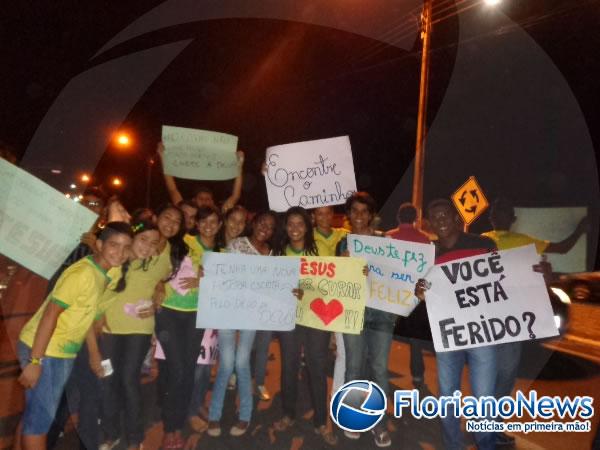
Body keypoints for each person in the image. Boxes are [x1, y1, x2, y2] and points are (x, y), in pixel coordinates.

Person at [481, 197, 588, 447]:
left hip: (513, 320)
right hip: (485, 320)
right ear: (492, 217)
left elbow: (560, 250)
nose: (500, 215)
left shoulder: (525, 243)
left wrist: (579, 231)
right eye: (498, 211)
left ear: (512, 219)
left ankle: (491, 425)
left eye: (504, 211)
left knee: (505, 376)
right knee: (493, 375)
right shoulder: (480, 240)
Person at [17, 222, 133, 450]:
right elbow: (50, 314)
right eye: (114, 245)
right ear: (99, 245)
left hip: (63, 351)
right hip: (45, 349)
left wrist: (93, 354)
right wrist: (35, 361)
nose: (120, 252)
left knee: (39, 413)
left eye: (125, 247)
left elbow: (87, 317)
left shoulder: (109, 271)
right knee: (39, 422)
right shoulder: (83, 275)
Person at [415, 199, 497, 450]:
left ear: (456, 219)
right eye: (434, 217)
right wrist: (419, 292)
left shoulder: (483, 244)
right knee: (447, 396)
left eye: (445, 215)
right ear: (428, 223)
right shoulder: (427, 253)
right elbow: (421, 290)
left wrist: (537, 273)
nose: (440, 220)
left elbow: (507, 278)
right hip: (448, 333)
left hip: (481, 333)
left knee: (483, 399)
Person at [155, 206, 221, 450]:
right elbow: (156, 262)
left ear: (219, 226)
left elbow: (227, 284)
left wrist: (207, 279)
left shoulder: (221, 252)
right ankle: (170, 429)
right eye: (204, 221)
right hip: (169, 312)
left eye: (214, 222)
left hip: (196, 315)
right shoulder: (183, 240)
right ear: (195, 224)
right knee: (178, 371)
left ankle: (177, 427)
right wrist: (158, 285)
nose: (208, 226)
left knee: (187, 372)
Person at [206, 211, 278, 437]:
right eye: (262, 223)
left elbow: (274, 286)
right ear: (253, 222)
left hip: (251, 315)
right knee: (227, 364)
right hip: (228, 310)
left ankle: (245, 415)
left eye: (270, 226)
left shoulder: (273, 254)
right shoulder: (237, 244)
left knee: (242, 361)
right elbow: (221, 274)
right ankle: (214, 415)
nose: (264, 228)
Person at [99, 220, 166, 450]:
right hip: (107, 331)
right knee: (108, 380)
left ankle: (135, 437)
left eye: (153, 243)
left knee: (129, 380)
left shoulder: (156, 263)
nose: (146, 247)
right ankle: (111, 432)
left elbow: (174, 275)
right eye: (143, 239)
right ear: (132, 239)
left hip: (139, 330)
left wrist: (161, 288)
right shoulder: (113, 260)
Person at [336, 192, 394, 448]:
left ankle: (379, 423)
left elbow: (397, 276)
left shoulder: (386, 242)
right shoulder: (342, 244)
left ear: (371, 215)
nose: (359, 216)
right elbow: (336, 282)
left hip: (381, 315)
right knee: (354, 368)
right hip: (353, 314)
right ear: (348, 215)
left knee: (380, 369)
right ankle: (354, 417)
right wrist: (343, 265)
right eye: (354, 211)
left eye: (364, 211)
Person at [385, 203, 432, 391]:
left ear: (398, 217)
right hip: (414, 295)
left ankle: (380, 368)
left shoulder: (389, 236)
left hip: (389, 292)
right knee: (415, 339)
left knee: (384, 333)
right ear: (415, 219)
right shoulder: (425, 240)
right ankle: (418, 376)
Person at [311, 206, 348, 394]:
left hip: (341, 300)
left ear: (333, 215)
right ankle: (316, 391)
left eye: (327, 213)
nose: (324, 217)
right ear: (313, 216)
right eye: (319, 213)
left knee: (342, 352)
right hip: (316, 302)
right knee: (318, 353)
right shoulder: (307, 237)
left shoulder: (345, 235)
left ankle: (337, 394)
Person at [157, 142, 245, 212]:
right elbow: (172, 189)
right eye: (201, 198)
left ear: (212, 202)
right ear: (194, 200)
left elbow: (235, 196)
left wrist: (239, 164)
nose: (205, 201)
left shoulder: (219, 216)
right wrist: (163, 157)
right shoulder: (186, 214)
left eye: (208, 199)